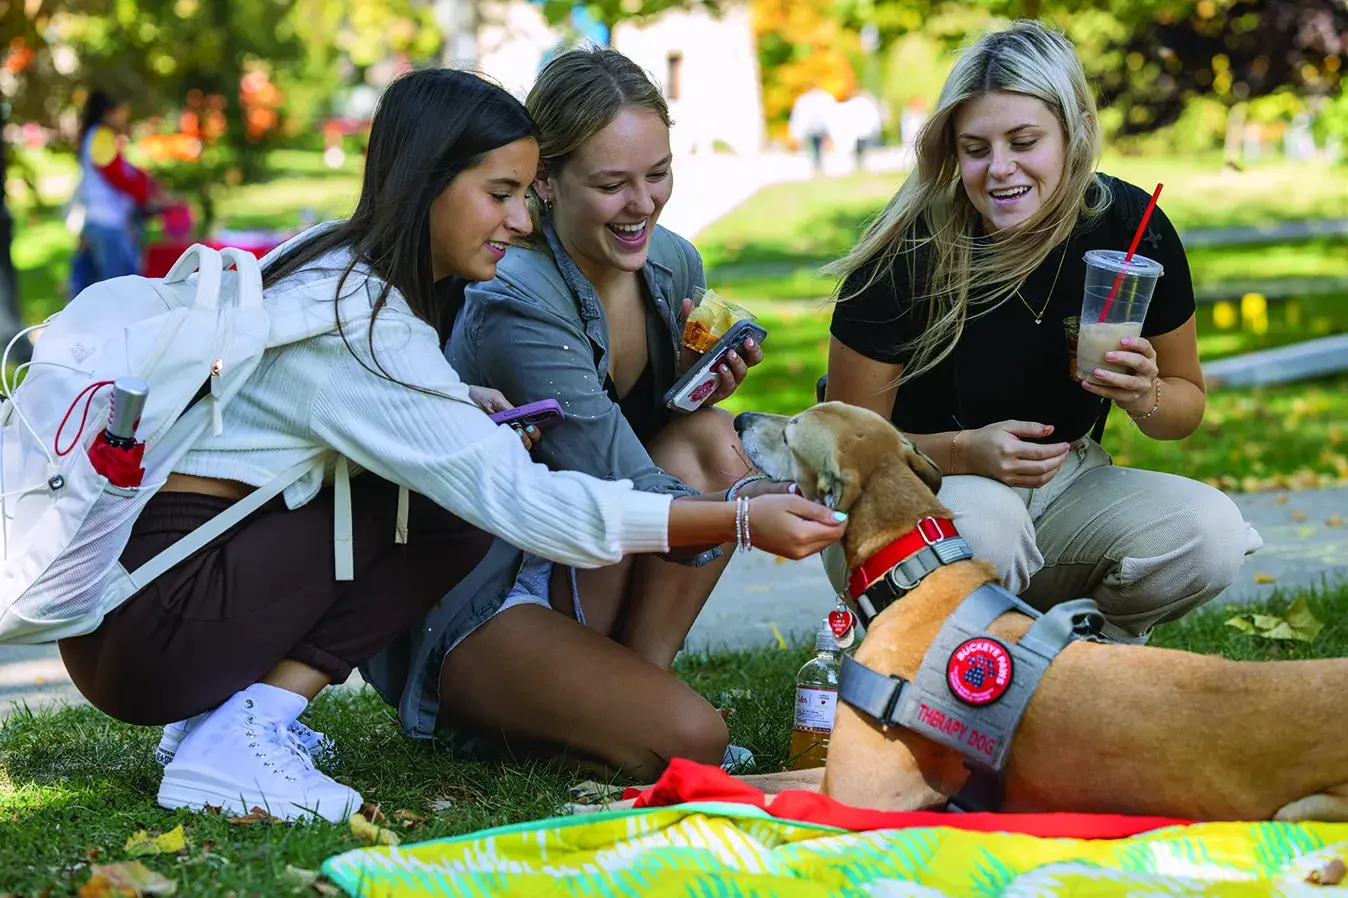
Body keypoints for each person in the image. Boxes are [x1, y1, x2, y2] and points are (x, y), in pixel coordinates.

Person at [56, 68, 846, 824]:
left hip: (144, 609)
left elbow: (303, 411)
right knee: (440, 503)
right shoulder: (368, 324)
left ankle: (236, 717)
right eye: (500, 194)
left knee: (430, 503)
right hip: (150, 627)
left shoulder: (342, 263)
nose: (522, 220)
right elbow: (531, 506)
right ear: (427, 183)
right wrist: (739, 520)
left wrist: (456, 400)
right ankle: (236, 734)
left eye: (520, 193)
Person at [368, 46, 776, 779]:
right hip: (489, 585)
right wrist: (753, 512)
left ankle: (635, 685)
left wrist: (686, 387)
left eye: (658, 174)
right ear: (546, 182)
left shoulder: (670, 262)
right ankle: (504, 714)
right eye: (613, 184)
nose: (644, 204)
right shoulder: (516, 294)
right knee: (697, 744)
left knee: (708, 438)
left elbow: (646, 448)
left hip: (583, 552)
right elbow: (621, 483)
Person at [823, 21, 1261, 643]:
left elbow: (1184, 407)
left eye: (1024, 141)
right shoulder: (907, 254)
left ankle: (1085, 664)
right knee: (990, 525)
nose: (999, 170)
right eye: (976, 149)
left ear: (1074, 130)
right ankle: (947, 670)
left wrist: (1145, 395)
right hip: (911, 491)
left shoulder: (1129, 229)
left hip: (1066, 481)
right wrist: (965, 452)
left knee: (1208, 531)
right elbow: (846, 450)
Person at [69, 91, 157, 298]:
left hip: (100, 220)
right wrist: (145, 194)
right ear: (109, 113)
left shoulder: (96, 136)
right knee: (121, 289)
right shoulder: (101, 137)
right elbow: (117, 176)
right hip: (107, 222)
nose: (124, 117)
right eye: (121, 112)